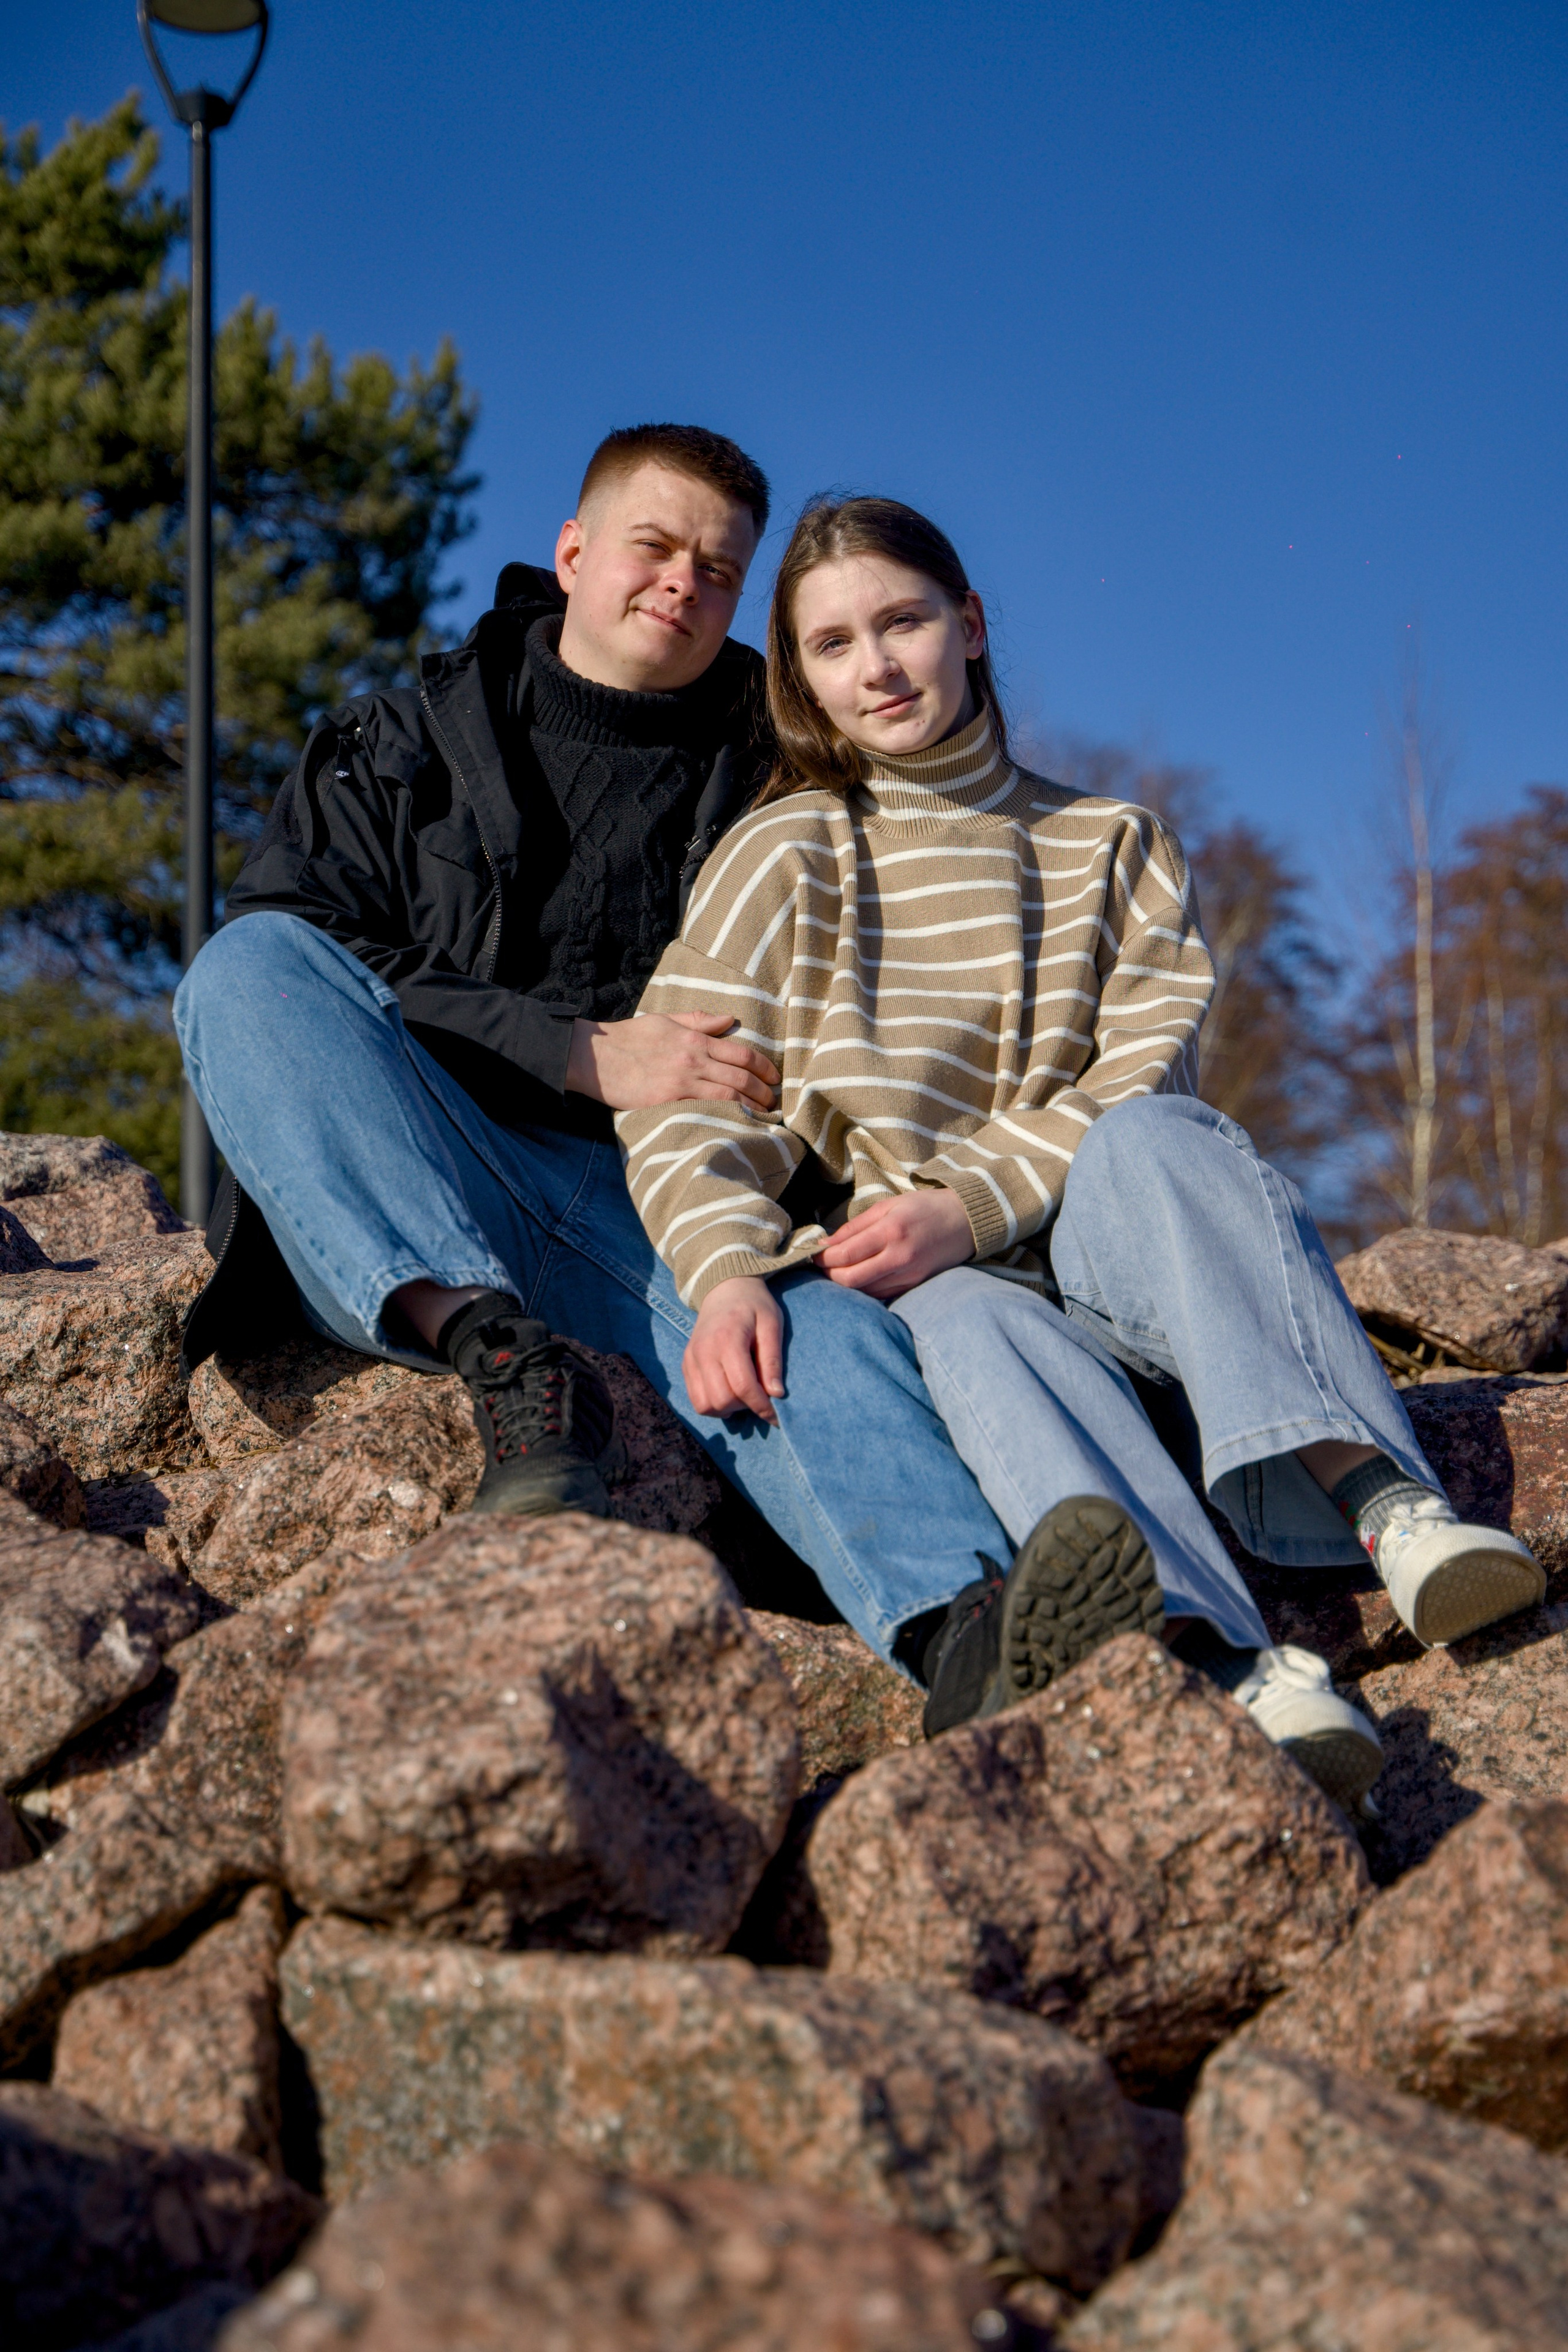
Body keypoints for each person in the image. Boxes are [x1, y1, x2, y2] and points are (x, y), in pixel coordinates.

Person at [616, 494, 1545, 1812]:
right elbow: (685, 1096)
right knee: (960, 1314)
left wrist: (969, 1200)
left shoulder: (1111, 843)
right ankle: (1236, 1664)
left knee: (1160, 1136)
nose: (875, 667)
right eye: (831, 645)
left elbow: (1139, 1073)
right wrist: (721, 1269)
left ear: (969, 624)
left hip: (1143, 1278)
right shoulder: (785, 854)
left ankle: (1388, 1513)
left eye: (901, 622)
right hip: (977, 1316)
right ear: (801, 678)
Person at [172, 426, 1026, 1624]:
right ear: (572, 553)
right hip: (417, 1179)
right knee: (245, 965)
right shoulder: (399, 742)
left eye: (717, 569)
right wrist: (574, 1051)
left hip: (662, 1214)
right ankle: (502, 1360)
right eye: (654, 547)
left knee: (813, 1335)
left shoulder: (787, 766)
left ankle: (966, 1639)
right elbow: (292, 952)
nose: (683, 582)